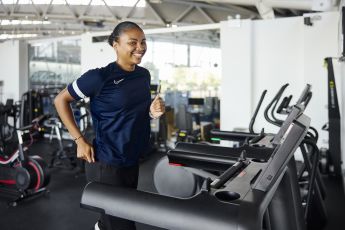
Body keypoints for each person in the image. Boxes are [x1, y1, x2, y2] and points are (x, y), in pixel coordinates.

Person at [54, 21, 165, 230]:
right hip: (107, 163)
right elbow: (60, 100)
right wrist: (79, 140)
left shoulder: (143, 75)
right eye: (133, 42)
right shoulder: (99, 77)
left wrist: (152, 112)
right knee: (120, 225)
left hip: (132, 159)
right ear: (115, 44)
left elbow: (135, 115)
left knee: (120, 219)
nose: (140, 48)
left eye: (143, 42)